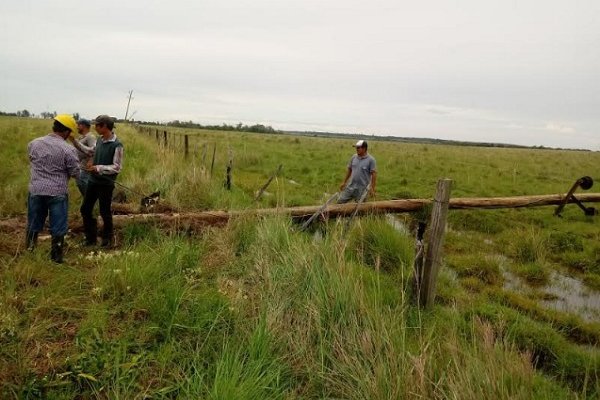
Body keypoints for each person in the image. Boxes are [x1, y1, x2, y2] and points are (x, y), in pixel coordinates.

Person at [26, 114, 80, 263]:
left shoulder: (33, 143)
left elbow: (31, 159)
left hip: (36, 190)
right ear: (67, 132)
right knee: (58, 226)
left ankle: (29, 251)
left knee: (33, 222)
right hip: (57, 192)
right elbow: (75, 173)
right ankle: (56, 258)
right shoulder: (68, 150)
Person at [80, 115, 124, 247]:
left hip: (106, 184)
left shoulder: (117, 145)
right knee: (85, 209)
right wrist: (91, 161)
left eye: (97, 125)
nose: (95, 127)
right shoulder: (99, 140)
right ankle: (90, 238)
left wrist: (98, 168)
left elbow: (117, 167)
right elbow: (92, 152)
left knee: (104, 211)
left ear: (104, 126)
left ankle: (107, 239)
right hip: (93, 181)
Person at [69, 118, 96, 196]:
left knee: (83, 184)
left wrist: (91, 161)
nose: (77, 127)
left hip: (86, 166)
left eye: (78, 125)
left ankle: (90, 200)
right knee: (80, 183)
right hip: (80, 165)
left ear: (83, 126)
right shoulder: (82, 137)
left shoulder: (90, 137)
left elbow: (94, 150)